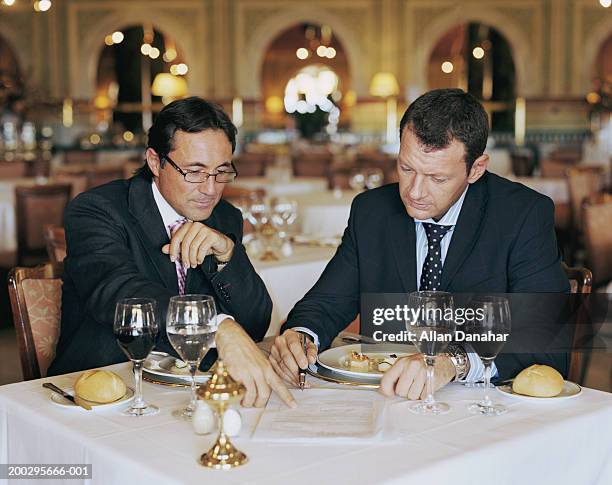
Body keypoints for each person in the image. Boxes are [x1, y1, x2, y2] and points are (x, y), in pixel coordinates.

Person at [269, 88, 569, 400]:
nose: (415, 192)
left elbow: (546, 341)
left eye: (437, 179)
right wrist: (300, 335)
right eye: (406, 169)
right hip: (388, 398)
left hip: (480, 406)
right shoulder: (372, 211)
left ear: (476, 169)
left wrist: (454, 362)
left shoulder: (523, 215)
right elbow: (326, 303)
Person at [48, 97, 295, 408]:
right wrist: (218, 326)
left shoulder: (224, 217)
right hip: (107, 391)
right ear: (155, 162)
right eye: (194, 171)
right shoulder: (98, 210)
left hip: (191, 390)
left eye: (221, 172)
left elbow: (257, 323)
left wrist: (228, 256)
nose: (210, 189)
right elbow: (118, 291)